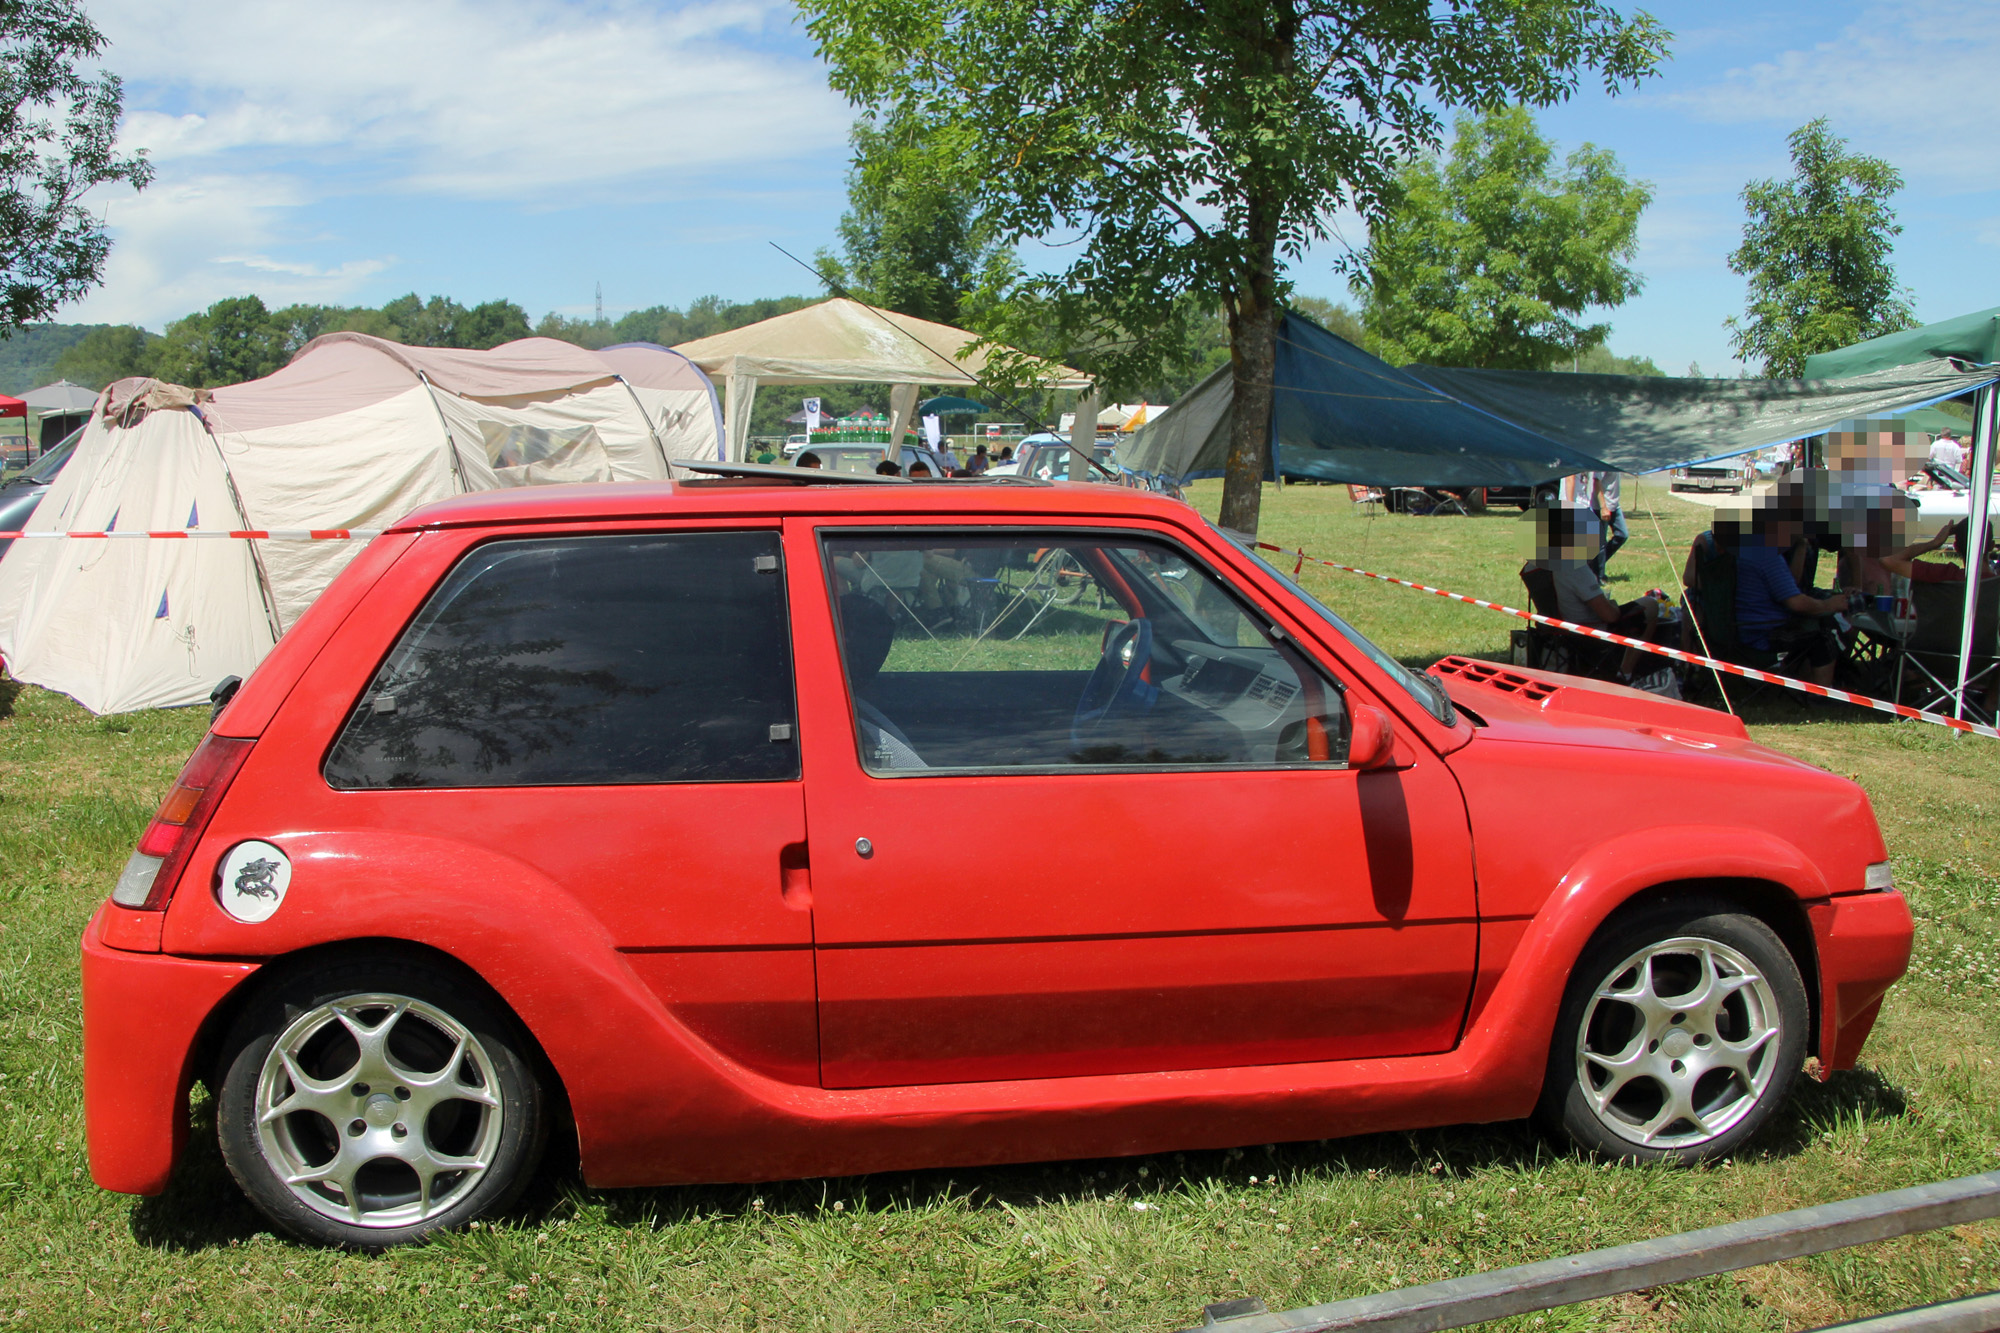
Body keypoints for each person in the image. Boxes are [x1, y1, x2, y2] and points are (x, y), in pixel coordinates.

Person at [1525, 505, 1661, 681]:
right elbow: (1610, 616)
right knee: (1651, 605)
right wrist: (1611, 604)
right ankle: (1624, 673)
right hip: (1585, 631)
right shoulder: (1573, 566)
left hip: (1553, 630)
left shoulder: (1535, 564)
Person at [1735, 517, 1849, 688]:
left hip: (1743, 625)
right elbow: (1796, 603)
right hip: (1762, 631)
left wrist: (1800, 545)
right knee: (1825, 637)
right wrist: (1829, 605)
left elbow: (1790, 584)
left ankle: (1802, 682)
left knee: (1815, 624)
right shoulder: (1768, 557)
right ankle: (1821, 696)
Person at [836, 593, 925, 769]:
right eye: (863, 649)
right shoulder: (859, 733)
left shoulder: (861, 710)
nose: (876, 659)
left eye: (882, 647)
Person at [1881, 519, 1997, 585]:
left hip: (1943, 628)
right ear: (1992, 546)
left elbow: (1888, 560)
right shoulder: (1996, 583)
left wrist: (1934, 543)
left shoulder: (1943, 575)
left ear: (1956, 547)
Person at [1586, 470, 1627, 580]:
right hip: (1600, 507)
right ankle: (1599, 576)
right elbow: (1596, 482)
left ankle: (1595, 564)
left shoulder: (1617, 459)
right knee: (1600, 544)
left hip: (1614, 505)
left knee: (1622, 535)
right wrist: (1603, 507)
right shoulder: (1603, 460)